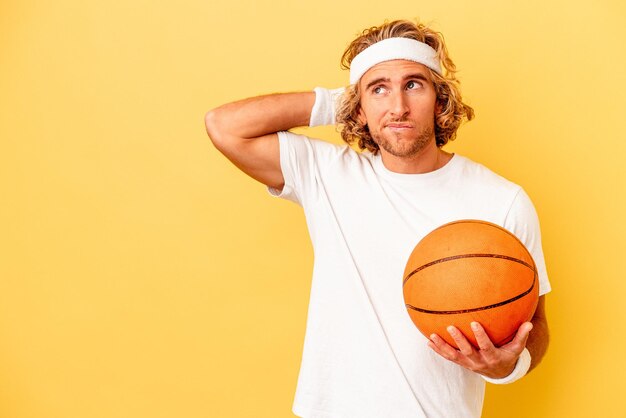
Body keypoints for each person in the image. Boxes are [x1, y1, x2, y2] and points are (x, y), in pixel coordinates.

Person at [205, 19, 550, 418]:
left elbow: (537, 324)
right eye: (379, 88)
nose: (398, 107)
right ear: (359, 106)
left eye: (414, 85)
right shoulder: (328, 174)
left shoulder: (503, 200)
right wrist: (342, 101)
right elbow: (224, 126)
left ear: (440, 100)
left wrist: (510, 365)